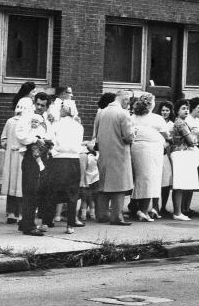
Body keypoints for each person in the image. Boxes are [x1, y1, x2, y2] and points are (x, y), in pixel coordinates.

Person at [93, 90, 135, 225]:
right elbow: (128, 136)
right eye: (128, 101)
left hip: (104, 154)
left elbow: (96, 134)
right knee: (119, 186)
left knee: (103, 185)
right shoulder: (123, 114)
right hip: (120, 153)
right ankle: (117, 217)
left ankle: (102, 214)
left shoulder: (102, 112)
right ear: (125, 100)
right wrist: (134, 133)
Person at [44, 103, 85, 233]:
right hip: (73, 160)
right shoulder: (79, 126)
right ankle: (70, 225)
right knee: (72, 192)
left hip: (57, 160)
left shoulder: (55, 125)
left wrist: (53, 152)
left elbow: (49, 140)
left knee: (51, 190)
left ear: (63, 111)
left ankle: (47, 222)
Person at [17, 92, 52, 236]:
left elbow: (50, 134)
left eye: (42, 105)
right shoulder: (26, 117)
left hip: (43, 155)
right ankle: (28, 226)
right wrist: (36, 140)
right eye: (37, 104)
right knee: (30, 190)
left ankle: (25, 221)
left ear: (47, 106)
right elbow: (20, 135)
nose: (39, 107)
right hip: (31, 156)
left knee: (37, 190)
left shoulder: (46, 119)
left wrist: (48, 143)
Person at [130, 93, 167, 223]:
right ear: (151, 104)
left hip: (136, 149)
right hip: (152, 150)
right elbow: (167, 135)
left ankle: (136, 207)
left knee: (139, 178)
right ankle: (143, 210)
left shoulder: (132, 117)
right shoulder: (156, 119)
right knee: (150, 179)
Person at [169, 99, 199, 221]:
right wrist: (195, 137)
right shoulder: (181, 123)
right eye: (183, 108)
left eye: (187, 108)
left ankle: (179, 211)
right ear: (177, 111)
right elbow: (191, 141)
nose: (186, 110)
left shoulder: (180, 122)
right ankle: (177, 212)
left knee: (180, 184)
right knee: (179, 185)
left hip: (179, 153)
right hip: (180, 154)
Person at [154, 100, 175, 218]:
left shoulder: (172, 124)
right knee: (156, 180)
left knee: (166, 182)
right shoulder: (156, 122)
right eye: (163, 110)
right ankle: (155, 206)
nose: (165, 112)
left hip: (167, 155)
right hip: (157, 153)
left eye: (167, 110)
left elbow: (173, 139)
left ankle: (164, 206)